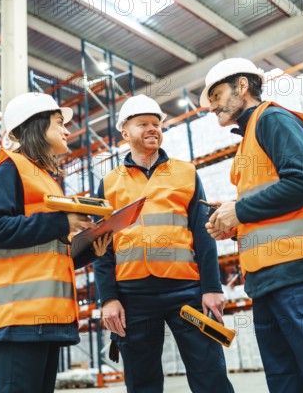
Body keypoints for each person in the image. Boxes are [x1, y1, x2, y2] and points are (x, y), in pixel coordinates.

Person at [202, 58, 303, 393]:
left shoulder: (273, 119)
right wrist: (232, 219)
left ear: (243, 86)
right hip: (266, 283)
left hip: (301, 277)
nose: (211, 106)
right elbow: (270, 201)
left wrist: (241, 210)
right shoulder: (250, 137)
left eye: (217, 95)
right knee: (286, 383)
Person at [94, 94, 234, 393]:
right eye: (142, 123)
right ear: (125, 132)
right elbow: (102, 247)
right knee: (142, 381)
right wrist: (108, 298)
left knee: (209, 373)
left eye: (156, 124)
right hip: (132, 296)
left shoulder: (185, 173)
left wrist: (212, 288)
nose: (152, 129)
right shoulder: (108, 183)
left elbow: (204, 233)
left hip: (186, 290)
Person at [0, 92, 111, 393]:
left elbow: (45, 252)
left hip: (46, 319)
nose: (67, 130)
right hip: (19, 319)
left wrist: (88, 248)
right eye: (59, 123)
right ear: (35, 126)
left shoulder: (45, 178)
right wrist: (63, 222)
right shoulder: (10, 169)